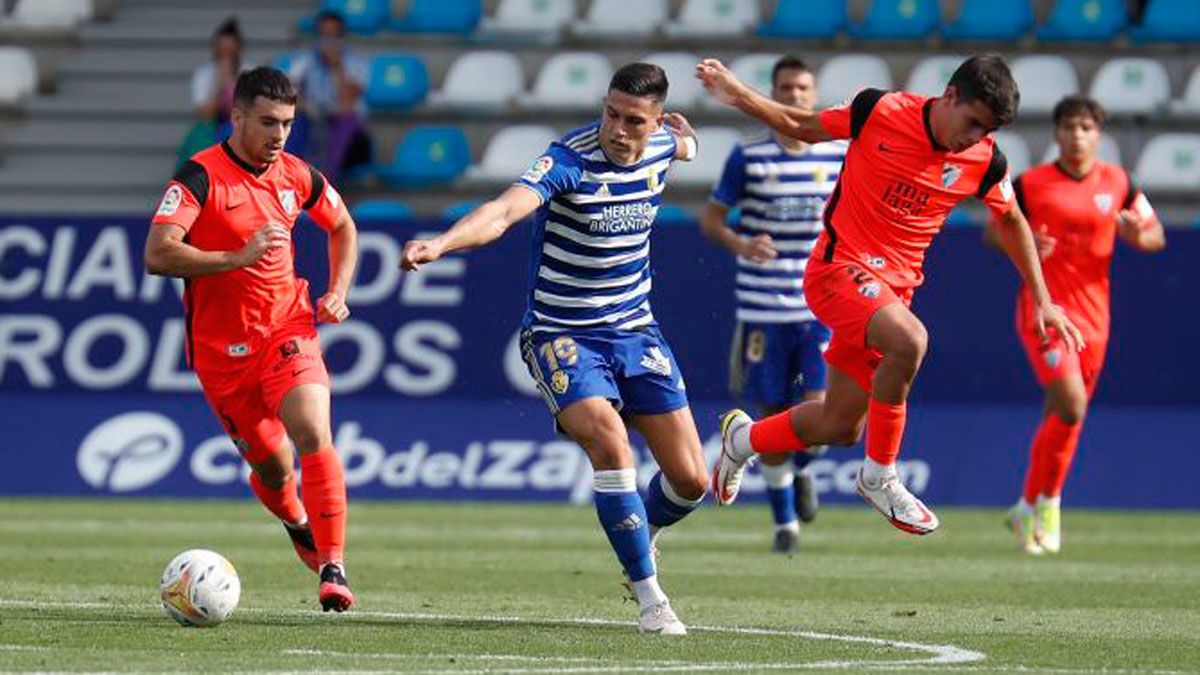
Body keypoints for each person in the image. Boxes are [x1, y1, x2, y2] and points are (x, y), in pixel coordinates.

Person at [698, 54, 1085, 535]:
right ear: (949, 96)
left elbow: (1010, 219)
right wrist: (738, 93)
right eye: (973, 123)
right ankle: (880, 475)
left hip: (891, 293)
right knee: (911, 341)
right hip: (837, 270)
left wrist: (1043, 298)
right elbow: (800, 122)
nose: (975, 137)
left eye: (987, 131)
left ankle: (743, 439)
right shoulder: (878, 111)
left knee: (840, 426)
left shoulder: (984, 159)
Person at [402, 63, 704, 635]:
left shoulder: (664, 144)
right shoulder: (567, 159)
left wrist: (688, 138)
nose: (617, 128)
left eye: (632, 120)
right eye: (610, 113)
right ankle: (651, 600)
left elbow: (685, 144)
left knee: (692, 481)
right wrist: (441, 244)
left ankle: (644, 532)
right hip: (561, 334)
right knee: (610, 440)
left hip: (637, 331)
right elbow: (503, 211)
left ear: (656, 121)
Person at [144, 67, 359, 612]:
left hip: (287, 326)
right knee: (271, 465)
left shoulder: (296, 175)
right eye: (267, 122)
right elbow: (158, 252)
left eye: (287, 123)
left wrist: (337, 289)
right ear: (236, 116)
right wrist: (233, 258)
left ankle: (333, 567)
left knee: (313, 429)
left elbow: (342, 226)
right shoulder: (198, 177)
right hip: (221, 353)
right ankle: (295, 518)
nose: (279, 134)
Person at [985, 95, 1165, 555]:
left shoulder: (1119, 183)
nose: (1077, 135)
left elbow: (1155, 235)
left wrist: (1137, 235)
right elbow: (993, 230)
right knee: (1071, 403)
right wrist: (1025, 244)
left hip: (1095, 318)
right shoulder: (1031, 184)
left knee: (1062, 415)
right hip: (1045, 310)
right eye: (1069, 127)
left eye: (1085, 127)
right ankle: (1050, 504)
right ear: (1056, 133)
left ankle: (1027, 504)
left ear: (1098, 135)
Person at [700, 56, 844, 554]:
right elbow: (712, 220)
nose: (795, 95)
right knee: (769, 414)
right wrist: (741, 244)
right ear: (775, 92)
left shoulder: (837, 157)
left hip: (821, 307)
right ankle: (785, 525)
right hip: (763, 309)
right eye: (786, 87)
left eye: (803, 87)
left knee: (819, 416)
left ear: (814, 92)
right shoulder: (749, 157)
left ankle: (805, 467)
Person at [288, 9, 372, 184]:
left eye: (334, 35)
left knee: (346, 119)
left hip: (353, 142)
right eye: (325, 35)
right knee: (295, 118)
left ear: (343, 36)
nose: (329, 41)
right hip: (315, 126)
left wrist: (336, 66)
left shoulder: (356, 63)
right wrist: (307, 106)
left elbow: (348, 101)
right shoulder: (305, 61)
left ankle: (325, 180)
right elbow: (289, 94)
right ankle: (291, 175)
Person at [192, 17, 246, 139]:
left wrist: (230, 83)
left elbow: (244, 113)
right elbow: (205, 115)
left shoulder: (249, 71)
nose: (225, 58)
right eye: (222, 52)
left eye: (230, 53)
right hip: (210, 133)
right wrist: (219, 85)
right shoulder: (204, 74)